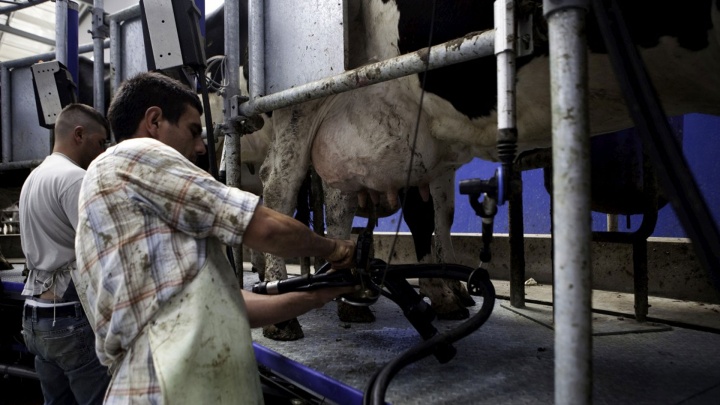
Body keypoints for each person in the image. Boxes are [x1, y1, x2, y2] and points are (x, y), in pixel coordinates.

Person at [73, 71, 357, 404]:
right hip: (164, 385)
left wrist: (321, 293)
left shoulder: (128, 193)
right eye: (193, 131)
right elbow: (262, 228)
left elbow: (228, 305)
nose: (201, 146)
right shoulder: (134, 155)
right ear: (154, 121)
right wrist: (335, 248)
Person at [20, 103, 111, 404]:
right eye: (100, 143)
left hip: (36, 318)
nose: (102, 153)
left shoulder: (34, 177)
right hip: (68, 318)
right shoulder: (74, 178)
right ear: (79, 134)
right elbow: (99, 248)